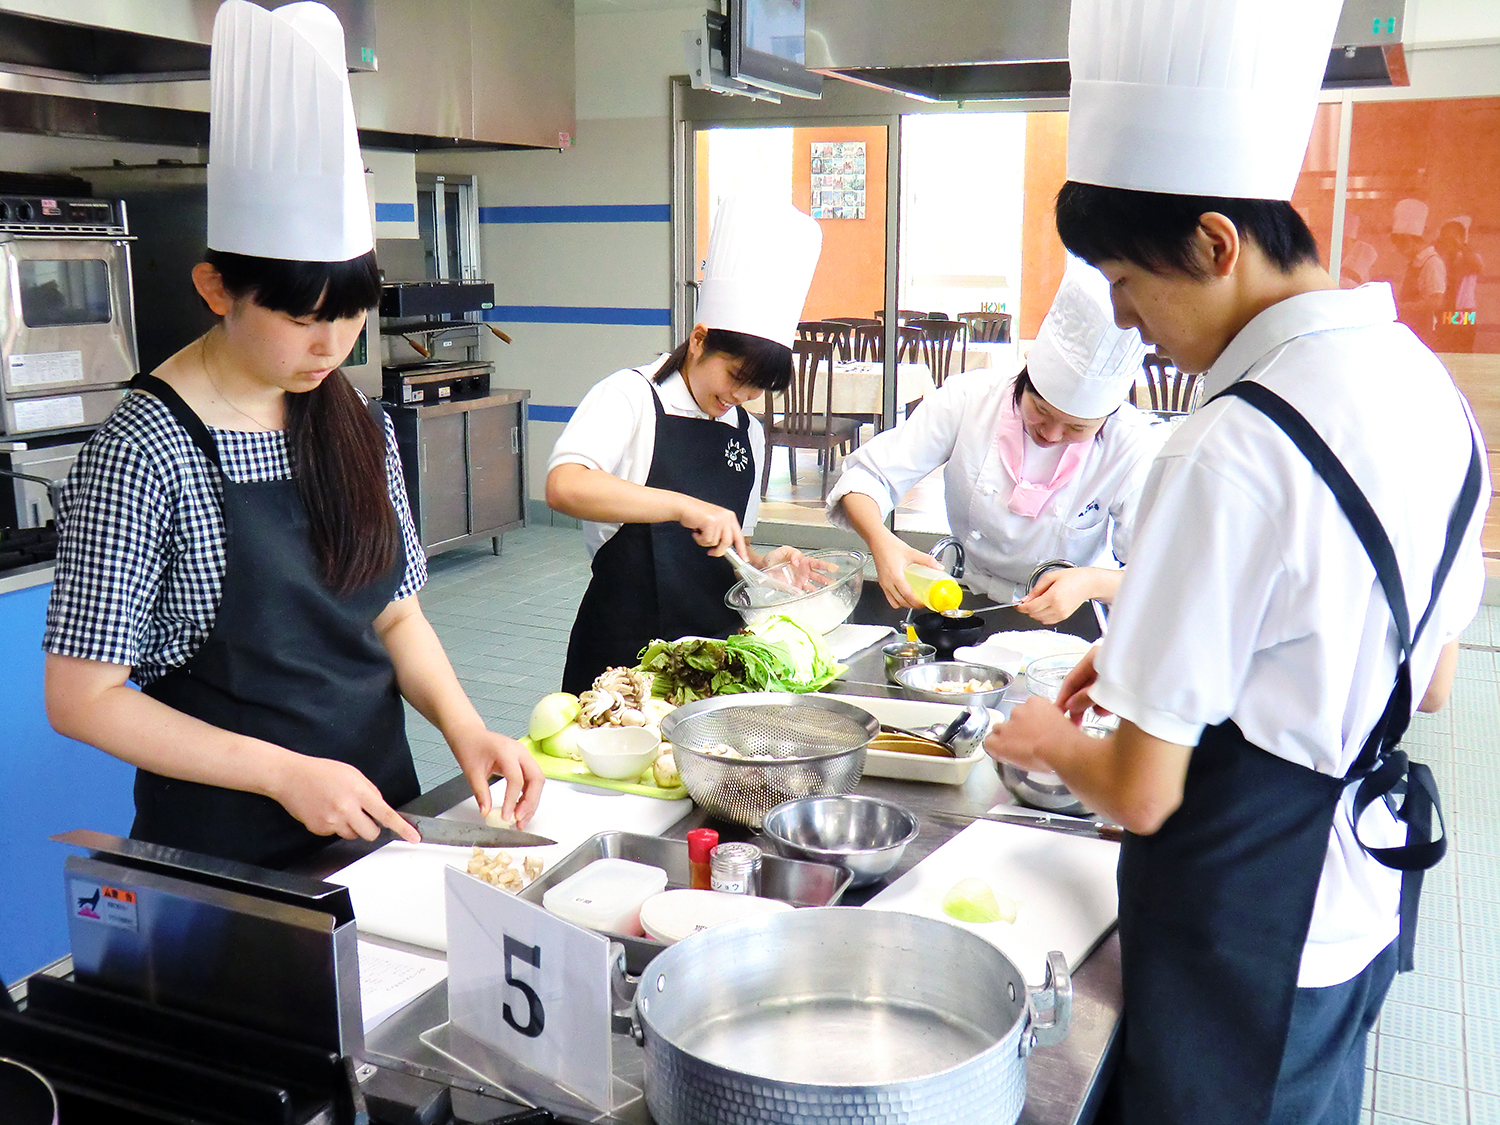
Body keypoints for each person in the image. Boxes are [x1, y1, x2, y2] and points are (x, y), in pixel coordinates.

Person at [986, 0, 1488, 1122]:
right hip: (1355, 897)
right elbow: (1431, 676)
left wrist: (1048, 739)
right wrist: (1155, 677)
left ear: (1217, 244)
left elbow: (1142, 793)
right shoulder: (1425, 389)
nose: (1126, 320)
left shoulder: (1226, 443)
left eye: (1127, 282)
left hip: (1242, 923)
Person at [41, 1, 542, 870]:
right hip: (226, 851)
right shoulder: (144, 449)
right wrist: (281, 773)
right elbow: (81, 697)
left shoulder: (353, 419)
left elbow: (395, 611)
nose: (332, 347)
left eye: (351, 317)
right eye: (304, 318)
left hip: (381, 809)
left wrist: (467, 726)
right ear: (214, 287)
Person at [548, 193, 822, 694]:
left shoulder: (748, 432)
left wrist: (762, 564)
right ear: (699, 339)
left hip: (713, 654)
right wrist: (681, 506)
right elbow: (564, 485)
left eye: (756, 389)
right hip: (621, 654)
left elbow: (725, 545)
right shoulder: (630, 395)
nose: (739, 397)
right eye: (736, 376)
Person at [826, 258, 1165, 624]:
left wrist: (1091, 581)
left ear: (1106, 418)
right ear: (1024, 379)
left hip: (1070, 613)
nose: (1051, 435)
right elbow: (866, 479)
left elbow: (1158, 575)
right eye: (1040, 410)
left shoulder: (1132, 445)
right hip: (964, 600)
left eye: (1076, 428)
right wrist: (882, 541)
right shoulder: (970, 398)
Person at [1391, 197, 1447, 348]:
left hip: (1423, 333)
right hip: (1409, 330)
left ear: (1411, 239)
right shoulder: (1413, 263)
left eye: (1400, 242)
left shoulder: (1432, 262)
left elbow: (1436, 301)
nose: (1398, 248)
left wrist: (1402, 307)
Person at [1434, 215, 1483, 353]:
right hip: (1443, 311)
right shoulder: (1439, 257)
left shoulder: (1471, 257)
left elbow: (1477, 267)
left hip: (1464, 312)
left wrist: (1460, 246)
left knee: (1463, 347)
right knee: (1442, 347)